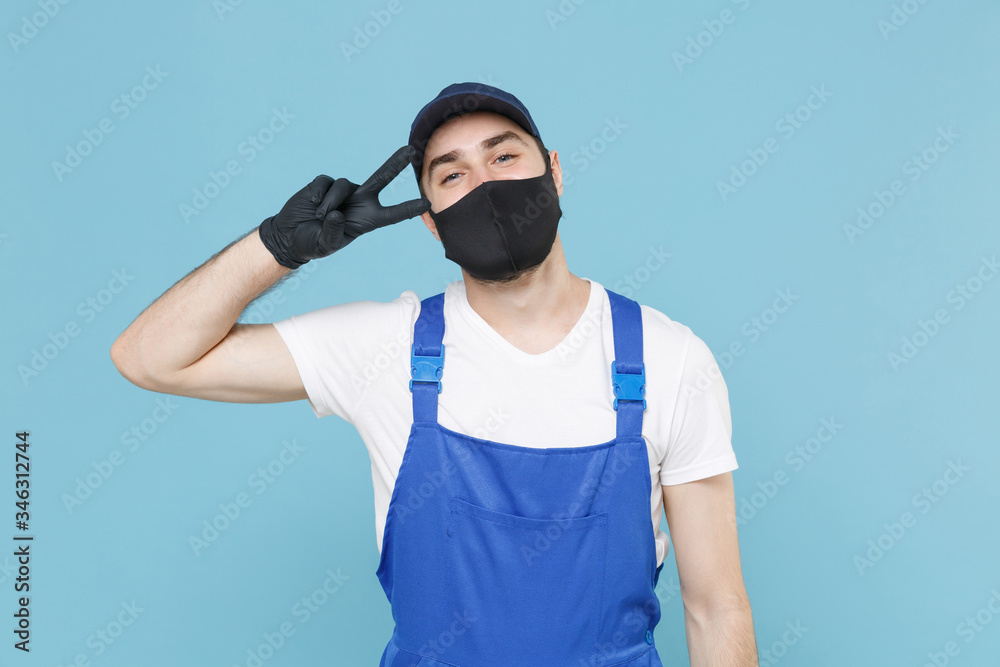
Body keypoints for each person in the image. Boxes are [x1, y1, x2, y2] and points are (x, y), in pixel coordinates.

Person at [111, 82, 757, 666]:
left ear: (554, 171)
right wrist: (278, 247)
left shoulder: (669, 359)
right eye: (452, 175)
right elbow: (149, 357)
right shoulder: (385, 349)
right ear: (429, 217)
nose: (484, 185)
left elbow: (716, 607)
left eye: (504, 157)